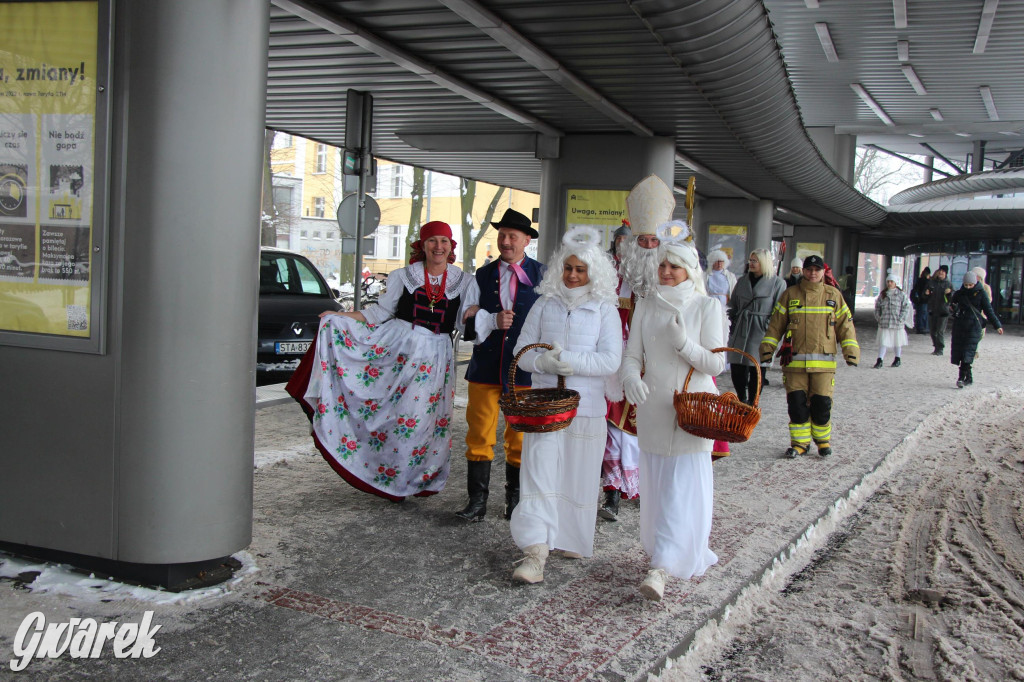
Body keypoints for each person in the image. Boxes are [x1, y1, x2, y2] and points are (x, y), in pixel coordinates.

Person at [286, 221, 478, 501]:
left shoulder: (465, 281)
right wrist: (340, 318)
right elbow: (379, 313)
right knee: (399, 417)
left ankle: (417, 478)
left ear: (451, 247)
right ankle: (390, 478)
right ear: (422, 246)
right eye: (432, 241)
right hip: (401, 348)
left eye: (444, 241)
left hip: (438, 353)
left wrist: (477, 313)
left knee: (426, 420)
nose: (439, 246)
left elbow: (464, 322)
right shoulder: (404, 275)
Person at [620, 222, 727, 602]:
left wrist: (683, 343)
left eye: (674, 267)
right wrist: (631, 377)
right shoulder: (646, 304)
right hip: (653, 409)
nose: (666, 272)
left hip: (690, 412)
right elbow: (632, 356)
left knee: (681, 488)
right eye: (662, 266)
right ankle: (660, 552)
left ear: (689, 270)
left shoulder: (706, 306)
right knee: (657, 485)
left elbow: (715, 366)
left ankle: (663, 565)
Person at [508, 227, 622, 584]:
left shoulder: (605, 309)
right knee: (539, 475)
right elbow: (521, 351)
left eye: (580, 269)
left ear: (594, 273)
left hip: (586, 409)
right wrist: (544, 364)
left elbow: (610, 362)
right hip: (545, 408)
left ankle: (572, 538)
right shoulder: (544, 302)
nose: (572, 275)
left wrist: (569, 361)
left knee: (579, 476)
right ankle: (535, 551)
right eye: (568, 267)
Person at [455, 208, 546, 522]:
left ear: (526, 241)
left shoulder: (544, 275)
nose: (506, 242)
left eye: (513, 236)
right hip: (486, 368)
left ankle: (515, 503)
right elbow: (464, 320)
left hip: (524, 371)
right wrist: (490, 319)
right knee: (479, 435)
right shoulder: (480, 275)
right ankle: (477, 503)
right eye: (502, 236)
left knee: (520, 437)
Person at [760, 255, 859, 459]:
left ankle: (823, 442)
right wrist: (768, 347)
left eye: (817, 269)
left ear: (823, 271)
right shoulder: (790, 295)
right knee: (796, 405)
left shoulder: (833, 295)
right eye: (809, 269)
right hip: (794, 364)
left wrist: (851, 351)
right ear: (803, 271)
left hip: (823, 365)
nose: (812, 273)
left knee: (822, 404)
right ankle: (799, 444)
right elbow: (776, 325)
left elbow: (845, 326)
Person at [600, 219, 642, 520]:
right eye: (619, 243)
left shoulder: (646, 279)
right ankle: (612, 493)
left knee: (639, 430)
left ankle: (641, 486)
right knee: (612, 428)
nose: (623, 249)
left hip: (639, 360)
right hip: (609, 358)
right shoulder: (604, 276)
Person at [727, 248, 786, 405]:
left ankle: (753, 403)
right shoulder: (742, 281)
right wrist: (730, 324)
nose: (751, 263)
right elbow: (733, 305)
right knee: (737, 367)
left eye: (755, 261)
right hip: (741, 328)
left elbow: (779, 310)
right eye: (750, 260)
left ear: (764, 263)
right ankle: (742, 398)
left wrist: (768, 327)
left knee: (757, 369)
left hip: (761, 331)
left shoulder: (777, 283)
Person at [950, 270, 1003, 388]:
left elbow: (989, 311)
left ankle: (961, 377)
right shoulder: (959, 293)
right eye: (966, 285)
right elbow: (952, 305)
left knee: (967, 352)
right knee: (960, 352)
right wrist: (953, 308)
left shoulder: (981, 293)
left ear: (975, 283)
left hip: (973, 327)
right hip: (960, 326)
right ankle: (968, 377)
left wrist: (997, 325)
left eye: (970, 285)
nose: (968, 287)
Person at [872, 270, 912, 368]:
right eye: (888, 282)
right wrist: (879, 318)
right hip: (884, 322)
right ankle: (880, 359)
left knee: (897, 342)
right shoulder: (882, 295)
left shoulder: (901, 295)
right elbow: (877, 307)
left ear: (895, 283)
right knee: (883, 341)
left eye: (891, 281)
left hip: (896, 323)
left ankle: (897, 358)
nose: (889, 283)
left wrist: (901, 318)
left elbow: (906, 307)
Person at [925, 265, 954, 356]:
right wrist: (926, 294)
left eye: (943, 271)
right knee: (932, 331)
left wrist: (950, 293)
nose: (940, 273)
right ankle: (936, 346)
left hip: (943, 311)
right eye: (939, 271)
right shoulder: (931, 282)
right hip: (932, 309)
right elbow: (925, 295)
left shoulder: (948, 284)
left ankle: (940, 348)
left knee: (939, 331)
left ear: (945, 273)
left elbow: (953, 298)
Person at [910, 266, 931, 334]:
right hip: (924, 300)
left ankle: (919, 328)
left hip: (917, 300)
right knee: (924, 314)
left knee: (919, 314)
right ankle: (923, 328)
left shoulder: (918, 280)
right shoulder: (927, 281)